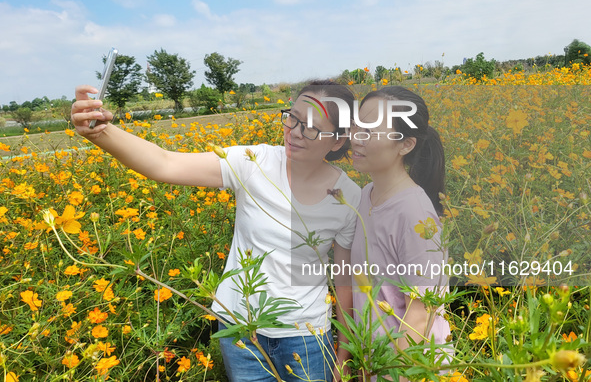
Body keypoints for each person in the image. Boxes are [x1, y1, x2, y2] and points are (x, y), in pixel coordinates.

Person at [71, 81, 360, 382]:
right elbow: (164, 163)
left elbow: (344, 281)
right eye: (293, 118)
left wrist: (343, 355)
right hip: (241, 333)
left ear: (338, 141)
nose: (296, 132)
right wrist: (99, 131)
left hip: (308, 336)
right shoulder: (253, 163)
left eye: (311, 128)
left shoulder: (348, 197)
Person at [348, 86, 451, 380]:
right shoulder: (367, 193)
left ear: (405, 145)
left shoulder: (416, 213)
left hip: (409, 366)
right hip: (377, 359)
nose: (355, 137)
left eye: (370, 131)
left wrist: (392, 373)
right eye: (357, 125)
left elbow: (421, 315)